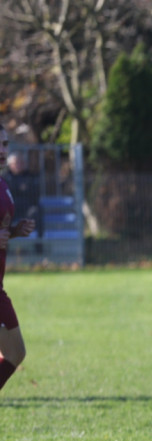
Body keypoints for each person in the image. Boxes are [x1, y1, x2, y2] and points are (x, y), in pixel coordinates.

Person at [0, 125, 37, 394]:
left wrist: (13, 232)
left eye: (5, 144)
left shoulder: (3, 184)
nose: (3, 150)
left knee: (16, 352)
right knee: (14, 352)